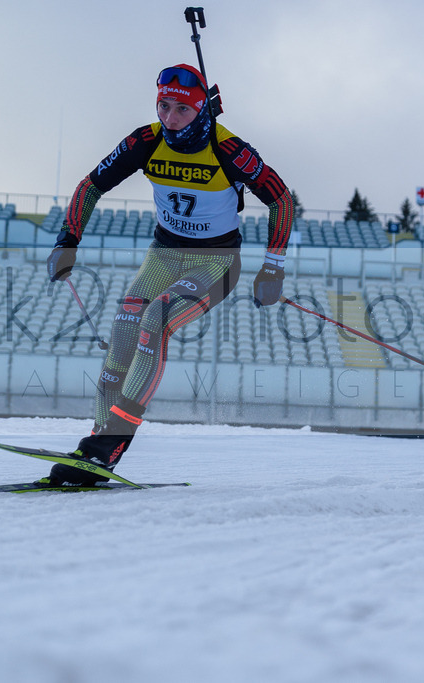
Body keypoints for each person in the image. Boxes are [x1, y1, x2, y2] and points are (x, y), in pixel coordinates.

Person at [44, 64, 294, 485]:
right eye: (163, 105)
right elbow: (91, 186)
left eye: (182, 109)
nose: (170, 118)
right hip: (163, 254)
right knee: (122, 335)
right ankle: (98, 449)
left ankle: (108, 446)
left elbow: (281, 199)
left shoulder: (228, 149)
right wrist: (67, 239)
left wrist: (273, 267)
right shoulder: (146, 140)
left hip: (216, 262)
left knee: (156, 319)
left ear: (201, 110)